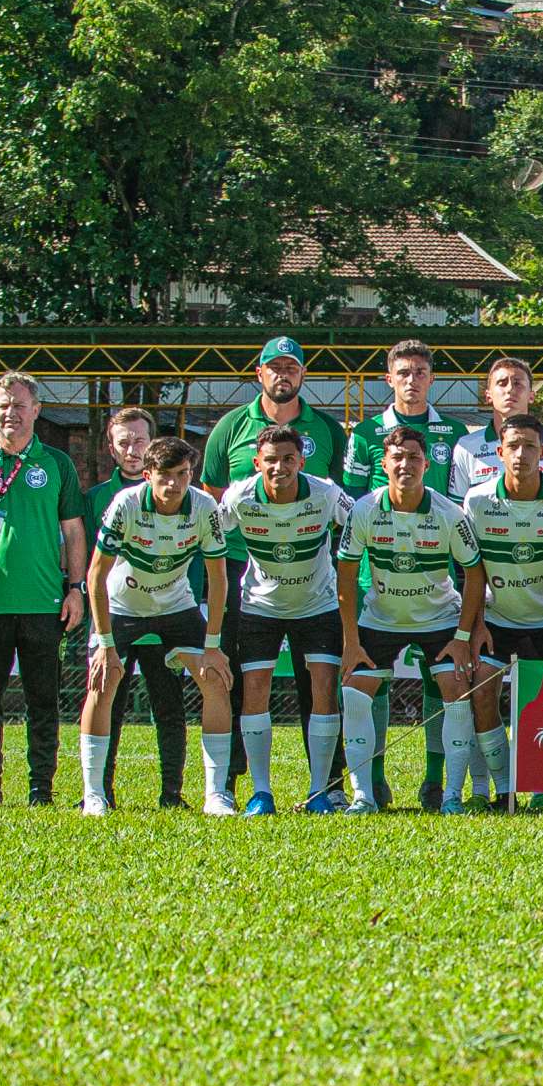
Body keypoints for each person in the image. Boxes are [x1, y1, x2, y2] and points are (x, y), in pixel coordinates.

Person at [202, 336, 349, 795]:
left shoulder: (327, 430)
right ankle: (235, 784)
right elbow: (210, 503)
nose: (283, 374)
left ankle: (327, 787)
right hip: (248, 580)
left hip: (314, 585)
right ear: (259, 373)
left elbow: (349, 509)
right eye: (274, 366)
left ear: (303, 375)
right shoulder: (229, 426)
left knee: (321, 686)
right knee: (244, 683)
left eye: (292, 366)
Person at [0, 371, 87, 806]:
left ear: (36, 411)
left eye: (20, 406)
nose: (11, 414)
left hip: (43, 603)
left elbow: (75, 531)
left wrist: (76, 587)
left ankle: (40, 788)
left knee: (43, 702)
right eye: (4, 406)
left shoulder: (56, 464)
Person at [341, 339, 469, 813]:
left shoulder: (454, 432)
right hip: (382, 576)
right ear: (388, 379)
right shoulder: (367, 432)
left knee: (442, 683)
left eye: (420, 372)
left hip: (439, 575)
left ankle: (435, 784)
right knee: (372, 684)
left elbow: (458, 504)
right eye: (403, 372)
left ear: (431, 378)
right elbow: (352, 502)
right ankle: (371, 785)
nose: (412, 380)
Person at [79, 437, 236, 815]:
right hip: (122, 605)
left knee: (215, 678)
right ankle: (94, 794)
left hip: (176, 605)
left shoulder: (204, 507)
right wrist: (103, 643)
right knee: (104, 681)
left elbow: (218, 580)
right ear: (147, 475)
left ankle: (216, 794)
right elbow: (95, 576)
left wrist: (212, 646)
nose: (175, 485)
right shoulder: (126, 505)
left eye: (183, 475)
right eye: (165, 476)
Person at [216, 424, 351, 815]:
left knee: (324, 692)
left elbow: (359, 522)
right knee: (255, 690)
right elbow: (208, 529)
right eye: (271, 460)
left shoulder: (325, 493)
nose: (280, 467)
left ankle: (319, 792)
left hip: (317, 606)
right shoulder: (240, 496)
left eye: (288, 459)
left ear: (301, 461)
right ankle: (261, 792)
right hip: (261, 607)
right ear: (257, 463)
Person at [463, 414, 543, 813]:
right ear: (499, 452)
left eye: (529, 446)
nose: (520, 454)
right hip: (497, 620)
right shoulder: (477, 501)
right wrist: (477, 624)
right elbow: (473, 570)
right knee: (481, 692)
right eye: (512, 446)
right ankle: (505, 788)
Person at [82, 407, 191, 809]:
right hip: (115, 612)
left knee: (169, 702)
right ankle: (98, 793)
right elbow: (90, 564)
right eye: (123, 442)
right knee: (108, 696)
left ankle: (172, 794)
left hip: (168, 609)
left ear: (153, 444)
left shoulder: (187, 497)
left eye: (139, 441)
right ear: (111, 447)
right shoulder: (97, 498)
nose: (131, 449)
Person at [451, 357, 543, 495]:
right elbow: (458, 508)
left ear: (531, 396)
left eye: (518, 384)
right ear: (488, 396)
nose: (510, 389)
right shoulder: (466, 446)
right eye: (502, 383)